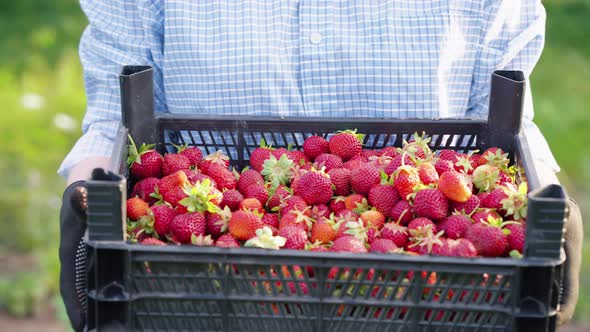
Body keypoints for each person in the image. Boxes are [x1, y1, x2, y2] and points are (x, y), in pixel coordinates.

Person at [59, 1, 583, 331]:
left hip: (427, 296)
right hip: (205, 289)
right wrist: (94, 202)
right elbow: (115, 116)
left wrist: (542, 218)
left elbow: (501, 130)